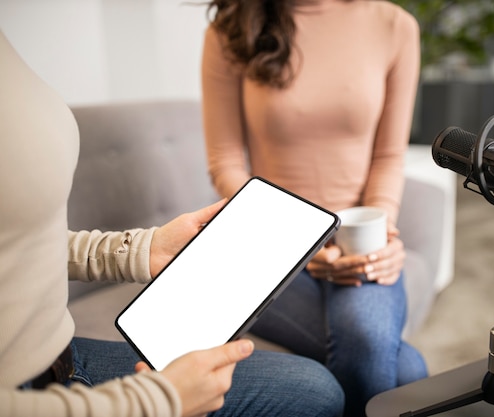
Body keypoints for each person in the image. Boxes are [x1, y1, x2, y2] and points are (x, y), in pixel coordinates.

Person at [0, 30, 345, 417]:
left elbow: (18, 241)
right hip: (22, 393)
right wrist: (158, 402)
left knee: (320, 388)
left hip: (62, 354)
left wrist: (140, 249)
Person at [201, 0, 428, 415]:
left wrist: (379, 234)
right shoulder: (231, 28)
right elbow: (226, 164)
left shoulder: (394, 26)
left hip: (356, 235)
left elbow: (388, 157)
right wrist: (300, 238)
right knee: (408, 368)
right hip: (268, 240)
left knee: (368, 335)